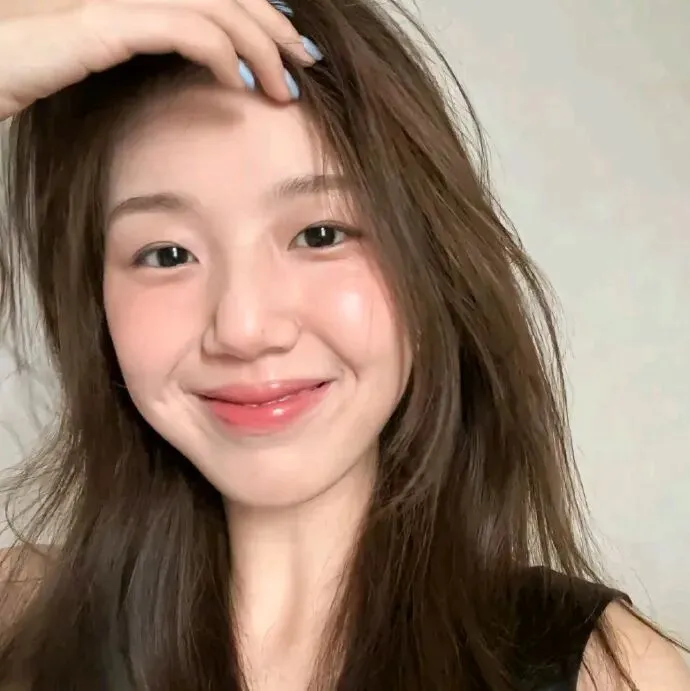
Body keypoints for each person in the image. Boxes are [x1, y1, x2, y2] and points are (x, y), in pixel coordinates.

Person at [0, 0, 687, 689]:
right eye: (168, 253)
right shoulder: (22, 622)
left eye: (320, 235)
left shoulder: (601, 672)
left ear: (431, 265)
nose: (244, 327)